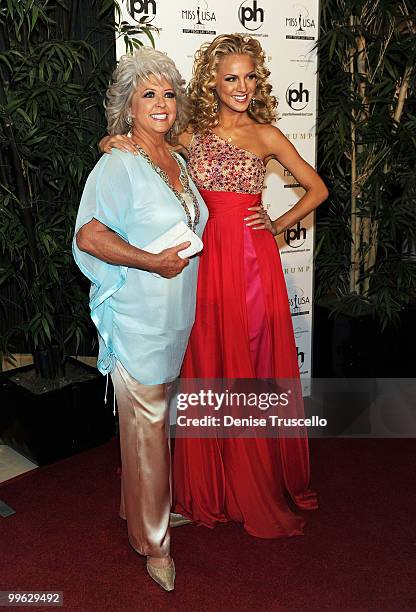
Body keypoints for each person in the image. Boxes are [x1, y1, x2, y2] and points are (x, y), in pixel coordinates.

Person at [100, 34, 328, 539]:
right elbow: (143, 145)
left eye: (249, 77)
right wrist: (109, 141)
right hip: (205, 262)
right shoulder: (191, 135)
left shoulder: (266, 135)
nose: (241, 87)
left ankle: (254, 475)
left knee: (248, 362)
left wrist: (278, 222)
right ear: (213, 82)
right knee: (209, 362)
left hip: (251, 262)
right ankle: (211, 482)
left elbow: (318, 188)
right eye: (230, 78)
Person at [73, 47, 208, 591]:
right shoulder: (117, 162)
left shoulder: (175, 157)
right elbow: (90, 235)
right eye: (147, 93)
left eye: (168, 93)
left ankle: (143, 509)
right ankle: (154, 544)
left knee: (147, 425)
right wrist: (151, 261)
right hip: (137, 316)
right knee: (148, 424)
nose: (160, 103)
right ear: (127, 106)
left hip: (174, 317)